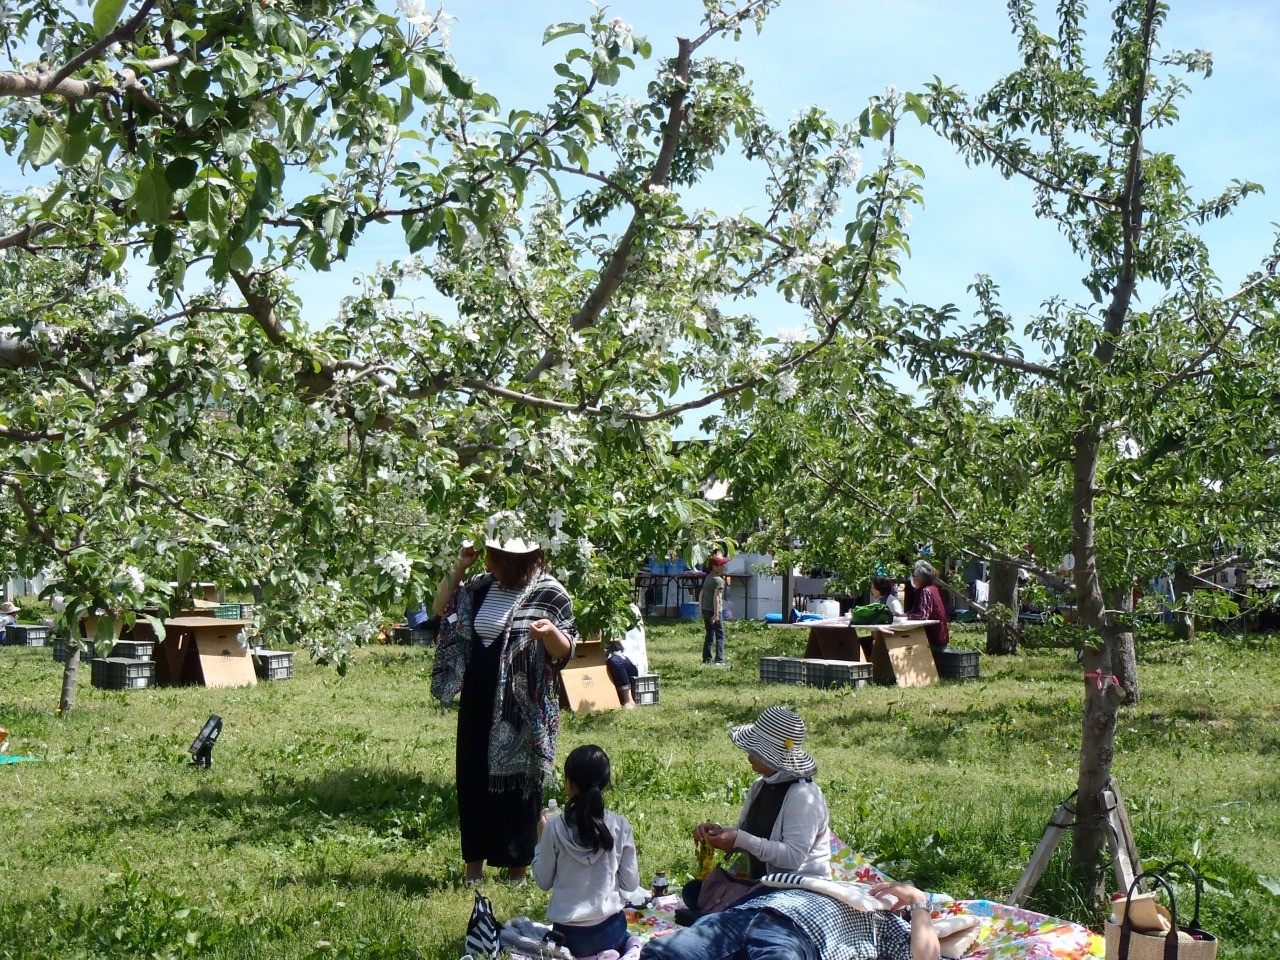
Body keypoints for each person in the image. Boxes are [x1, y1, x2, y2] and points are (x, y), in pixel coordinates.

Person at [431, 535, 579, 885]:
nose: (488, 564)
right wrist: (459, 566)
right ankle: (474, 869)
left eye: (495, 558)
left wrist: (549, 634)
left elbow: (566, 651)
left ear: (518, 561)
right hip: (478, 699)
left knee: (520, 786)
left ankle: (517, 869)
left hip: (522, 708)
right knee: (473, 778)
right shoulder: (481, 586)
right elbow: (441, 607)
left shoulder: (550, 593)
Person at [682, 706, 830, 914]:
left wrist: (740, 839)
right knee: (693, 891)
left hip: (796, 889)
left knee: (740, 908)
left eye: (755, 751)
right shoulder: (760, 786)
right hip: (760, 883)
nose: (748, 756)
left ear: (772, 757)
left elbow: (792, 858)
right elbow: (746, 834)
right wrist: (718, 833)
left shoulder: (803, 796)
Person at [640, 880, 942, 960]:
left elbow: (926, 957)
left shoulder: (886, 924)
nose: (886, 890)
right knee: (662, 953)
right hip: (741, 917)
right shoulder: (834, 886)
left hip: (797, 936)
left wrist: (918, 903)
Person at [533, 744, 640, 958]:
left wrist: (540, 838)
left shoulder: (554, 828)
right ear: (606, 783)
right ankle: (622, 950)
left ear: (569, 784)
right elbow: (631, 883)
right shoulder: (619, 825)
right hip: (611, 932)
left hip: (570, 938)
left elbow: (542, 881)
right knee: (630, 938)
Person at [606, 603, 648, 709]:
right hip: (618, 653)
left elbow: (614, 637)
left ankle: (629, 700)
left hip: (631, 659)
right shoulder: (610, 608)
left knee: (615, 661)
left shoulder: (630, 610)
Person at [906, 560, 949, 650]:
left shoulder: (926, 591)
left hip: (934, 640)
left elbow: (923, 616)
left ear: (919, 579)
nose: (913, 579)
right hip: (940, 637)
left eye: (914, 577)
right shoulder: (933, 588)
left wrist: (908, 617)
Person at [699, 554, 729, 665]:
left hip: (706, 610)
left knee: (709, 634)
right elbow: (716, 597)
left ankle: (707, 660)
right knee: (720, 635)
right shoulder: (718, 580)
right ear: (714, 567)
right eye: (721, 565)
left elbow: (701, 594)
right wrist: (716, 614)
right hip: (714, 611)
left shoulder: (708, 577)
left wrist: (701, 610)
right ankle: (719, 660)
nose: (723, 567)